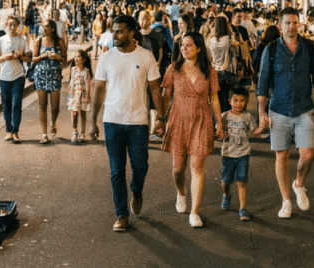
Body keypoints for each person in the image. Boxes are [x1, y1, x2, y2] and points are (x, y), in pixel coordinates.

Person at [94, 14, 166, 232]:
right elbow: (98, 89)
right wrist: (92, 121)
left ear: (131, 33)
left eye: (119, 31)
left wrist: (161, 118)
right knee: (116, 171)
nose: (114, 35)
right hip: (112, 121)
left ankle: (137, 190)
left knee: (140, 165)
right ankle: (122, 214)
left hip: (138, 122)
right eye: (114, 31)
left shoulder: (146, 56)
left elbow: (155, 88)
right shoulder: (107, 57)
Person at [257, 7, 314, 219]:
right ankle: (286, 200)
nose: (291, 26)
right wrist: (261, 111)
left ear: (300, 24)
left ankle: (299, 184)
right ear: (280, 26)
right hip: (278, 109)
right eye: (287, 23)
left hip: (304, 108)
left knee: (307, 154)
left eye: (295, 22)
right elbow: (263, 83)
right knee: (282, 156)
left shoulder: (308, 47)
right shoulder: (270, 50)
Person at [161, 32, 223, 228]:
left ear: (198, 48)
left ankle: (195, 212)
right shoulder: (174, 69)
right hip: (178, 120)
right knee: (178, 169)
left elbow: (214, 98)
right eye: (182, 45)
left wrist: (219, 121)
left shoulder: (209, 71)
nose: (184, 49)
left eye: (189, 45)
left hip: (201, 120)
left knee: (197, 167)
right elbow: (165, 95)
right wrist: (160, 119)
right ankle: (181, 192)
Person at [219, 85, 262, 222]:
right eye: (235, 100)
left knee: (242, 181)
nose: (238, 104)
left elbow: (255, 131)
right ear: (230, 100)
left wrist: (263, 127)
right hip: (227, 154)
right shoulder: (224, 116)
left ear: (246, 102)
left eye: (242, 101)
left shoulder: (248, 117)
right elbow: (218, 132)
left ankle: (242, 209)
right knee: (226, 181)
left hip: (243, 154)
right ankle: (227, 195)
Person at [0, 16, 30, 143]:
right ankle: (8, 131)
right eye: (10, 25)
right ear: (6, 25)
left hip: (18, 76)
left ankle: (15, 131)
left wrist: (20, 56)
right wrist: (5, 57)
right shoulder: (1, 40)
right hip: (4, 76)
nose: (12, 28)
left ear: (18, 26)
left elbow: (28, 58)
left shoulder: (22, 40)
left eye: (15, 25)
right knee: (6, 105)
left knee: (16, 104)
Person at [32, 20, 64, 143]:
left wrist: (57, 57)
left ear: (52, 29)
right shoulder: (38, 41)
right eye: (43, 26)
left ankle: (53, 122)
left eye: (46, 26)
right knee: (42, 104)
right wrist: (43, 56)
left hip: (55, 76)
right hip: (40, 75)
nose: (44, 28)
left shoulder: (60, 42)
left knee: (55, 106)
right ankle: (44, 134)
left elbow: (65, 60)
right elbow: (33, 60)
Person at [68, 51, 92, 144]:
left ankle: (82, 132)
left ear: (84, 59)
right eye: (75, 57)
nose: (76, 59)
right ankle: (74, 131)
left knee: (82, 114)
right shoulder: (73, 70)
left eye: (78, 57)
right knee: (74, 114)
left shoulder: (86, 71)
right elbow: (71, 83)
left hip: (83, 95)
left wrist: (88, 96)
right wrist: (70, 96)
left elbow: (88, 84)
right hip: (74, 95)